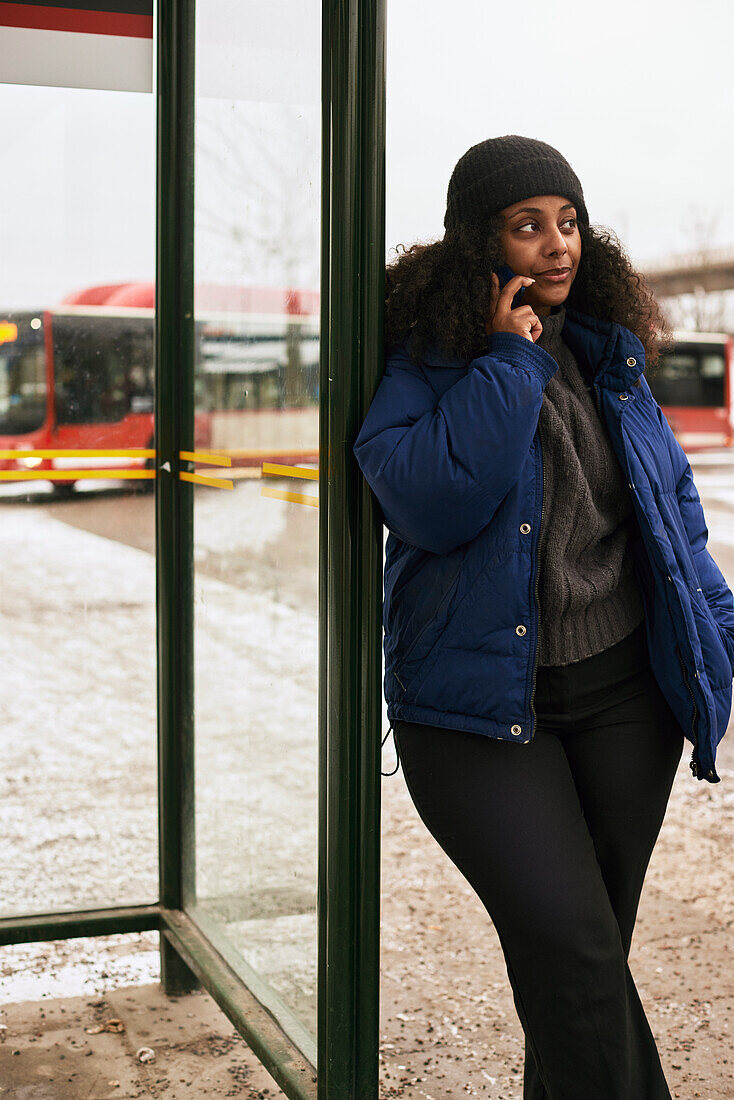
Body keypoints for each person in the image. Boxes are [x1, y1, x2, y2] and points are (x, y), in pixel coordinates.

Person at [353, 135, 734, 1099]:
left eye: (568, 223)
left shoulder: (614, 362)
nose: (557, 245)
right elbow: (436, 501)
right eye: (529, 226)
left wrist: (718, 637)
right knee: (575, 958)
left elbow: (676, 523)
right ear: (479, 245)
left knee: (582, 969)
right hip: (476, 713)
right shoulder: (430, 364)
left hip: (621, 703)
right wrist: (507, 362)